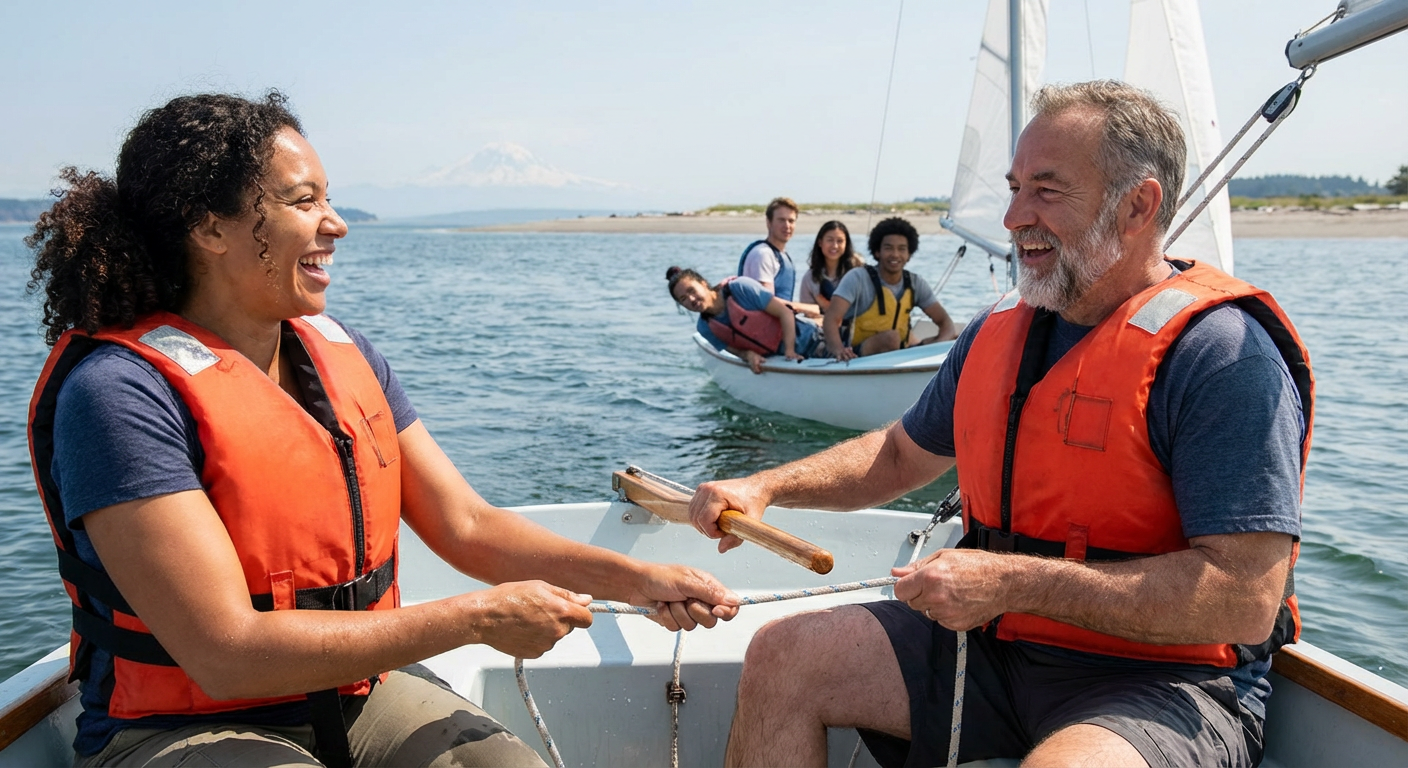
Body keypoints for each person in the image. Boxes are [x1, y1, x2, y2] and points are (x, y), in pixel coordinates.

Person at [25, 92, 739, 768]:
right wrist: (474, 620)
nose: (334, 223)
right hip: (187, 724)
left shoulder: (345, 353)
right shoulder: (118, 395)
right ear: (210, 227)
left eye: (329, 198)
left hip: (355, 691)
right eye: (303, 201)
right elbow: (225, 651)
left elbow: (466, 525)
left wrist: (639, 580)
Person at [688, 80, 1313, 768]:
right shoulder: (997, 332)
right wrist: (767, 488)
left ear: (1138, 205)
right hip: (994, 648)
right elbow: (899, 456)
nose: (1014, 216)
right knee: (784, 656)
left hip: (1157, 683)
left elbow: (1244, 599)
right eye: (1014, 188)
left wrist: (1013, 583)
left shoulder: (1223, 356)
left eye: (1046, 191)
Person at [823, 216, 957, 361]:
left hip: (900, 354)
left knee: (956, 339)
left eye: (902, 249)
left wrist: (939, 347)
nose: (895, 254)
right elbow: (831, 319)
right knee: (891, 338)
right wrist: (838, 350)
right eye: (888, 248)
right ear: (877, 252)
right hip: (858, 355)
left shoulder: (915, 283)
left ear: (909, 255)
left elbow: (945, 322)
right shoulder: (857, 278)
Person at [668, 267, 824, 374]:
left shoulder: (740, 288)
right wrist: (748, 355)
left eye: (691, 290)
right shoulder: (705, 328)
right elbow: (734, 351)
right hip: (782, 360)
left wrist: (790, 351)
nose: (691, 299)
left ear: (703, 284)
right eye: (683, 299)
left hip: (812, 341)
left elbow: (785, 313)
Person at [737, 196, 804, 305]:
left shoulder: (782, 255)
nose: (787, 226)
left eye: (791, 221)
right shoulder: (763, 254)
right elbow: (767, 304)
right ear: (769, 222)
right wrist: (806, 308)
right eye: (781, 220)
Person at [797, 220, 863, 313]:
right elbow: (807, 316)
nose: (835, 246)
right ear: (820, 242)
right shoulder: (810, 278)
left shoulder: (856, 275)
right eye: (830, 240)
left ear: (846, 244)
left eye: (840, 241)